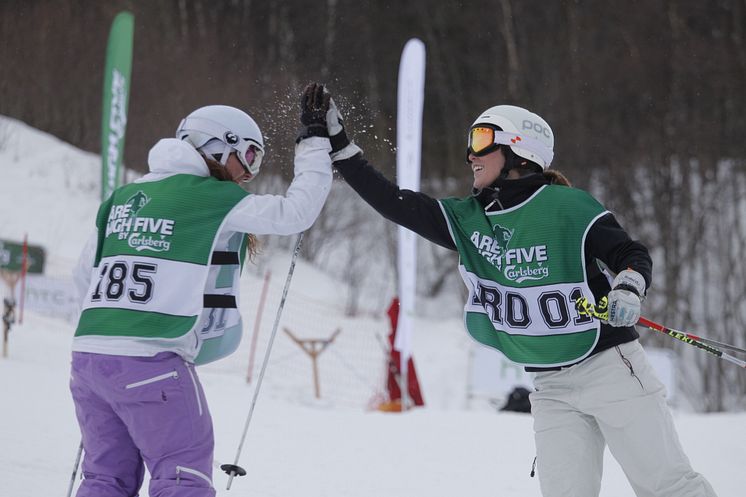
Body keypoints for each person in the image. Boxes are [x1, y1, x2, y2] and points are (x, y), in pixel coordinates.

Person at [322, 93, 716, 496]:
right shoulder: (469, 220)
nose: (469, 155)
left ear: (517, 151)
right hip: (551, 388)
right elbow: (395, 203)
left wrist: (629, 286)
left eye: (480, 140)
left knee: (667, 486)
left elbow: (629, 253)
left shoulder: (567, 206)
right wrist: (341, 148)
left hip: (609, 368)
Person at [69, 83, 334, 497]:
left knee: (106, 478)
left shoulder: (121, 198)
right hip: (153, 363)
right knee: (182, 475)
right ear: (216, 146)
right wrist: (315, 145)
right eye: (248, 155)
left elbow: (84, 276)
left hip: (88, 363)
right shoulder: (212, 197)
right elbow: (295, 212)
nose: (249, 173)